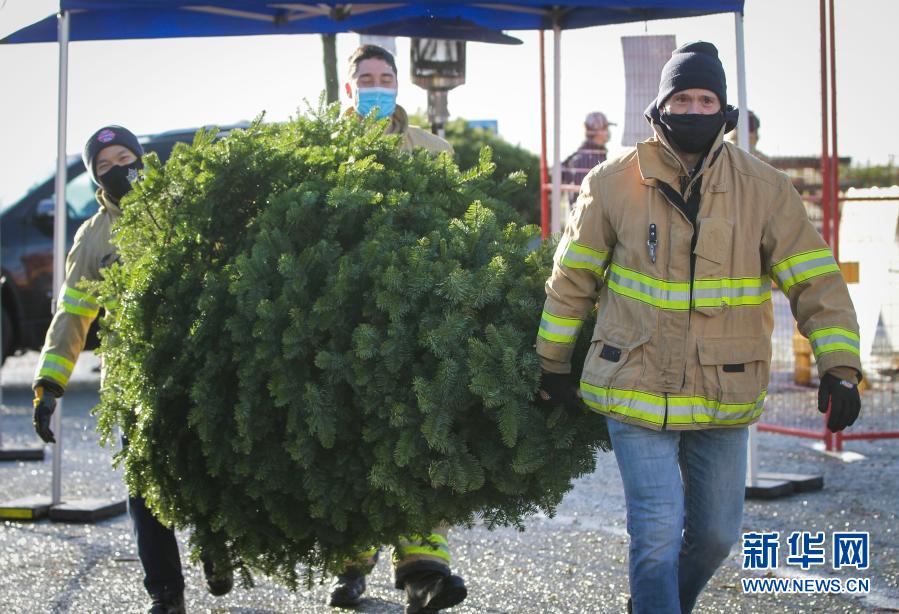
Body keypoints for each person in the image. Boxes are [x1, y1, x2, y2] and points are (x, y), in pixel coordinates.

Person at [535, 41, 862, 613]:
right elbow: (572, 283)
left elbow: (816, 281)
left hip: (724, 391)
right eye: (680, 98)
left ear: (725, 111)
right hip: (634, 385)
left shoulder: (765, 190)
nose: (692, 109)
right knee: (656, 536)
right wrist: (551, 364)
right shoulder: (611, 183)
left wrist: (841, 368)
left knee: (714, 538)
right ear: (659, 108)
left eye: (704, 98)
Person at [31, 126, 234, 614]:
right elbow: (74, 314)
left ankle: (216, 547)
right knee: (145, 491)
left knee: (208, 468)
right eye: (106, 165)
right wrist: (48, 383)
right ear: (97, 180)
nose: (121, 169)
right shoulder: (93, 237)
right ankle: (165, 592)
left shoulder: (183, 209)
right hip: (132, 381)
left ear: (142, 158)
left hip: (192, 366)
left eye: (127, 156)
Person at [328, 45, 466, 614]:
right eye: (367, 78)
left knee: (419, 434)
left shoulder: (435, 152)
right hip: (343, 326)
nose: (378, 86)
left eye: (387, 77)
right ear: (348, 89)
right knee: (353, 441)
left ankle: (423, 570)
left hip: (416, 321)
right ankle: (349, 563)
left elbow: (457, 230)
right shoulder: (318, 153)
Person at [561, 111, 616, 189]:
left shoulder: (595, 154)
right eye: (605, 128)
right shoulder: (587, 158)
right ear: (596, 131)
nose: (607, 132)